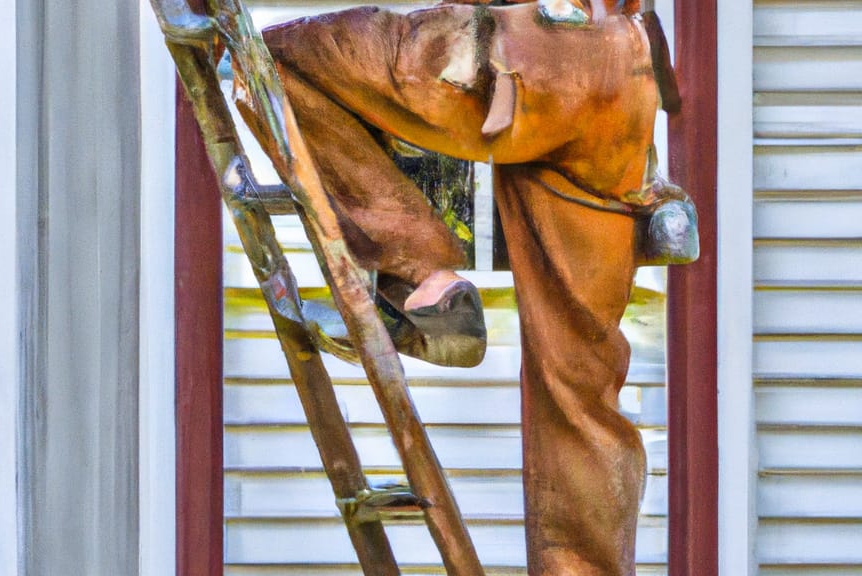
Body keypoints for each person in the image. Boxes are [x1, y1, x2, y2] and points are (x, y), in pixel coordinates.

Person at [255, 1, 673, 573]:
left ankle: (423, 279)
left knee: (278, 60)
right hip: (622, 77)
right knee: (580, 386)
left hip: (520, 58)